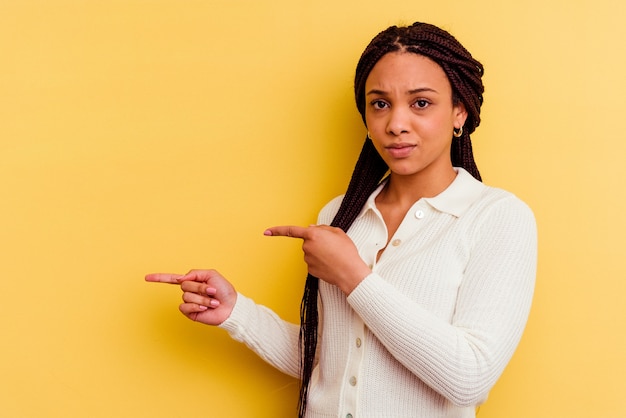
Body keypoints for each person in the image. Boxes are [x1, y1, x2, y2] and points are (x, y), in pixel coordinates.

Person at [146, 21, 537, 418]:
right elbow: (336, 361)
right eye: (380, 103)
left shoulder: (497, 217)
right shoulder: (340, 216)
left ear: (460, 111)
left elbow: (469, 378)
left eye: (421, 103)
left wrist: (353, 275)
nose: (396, 123)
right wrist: (236, 312)